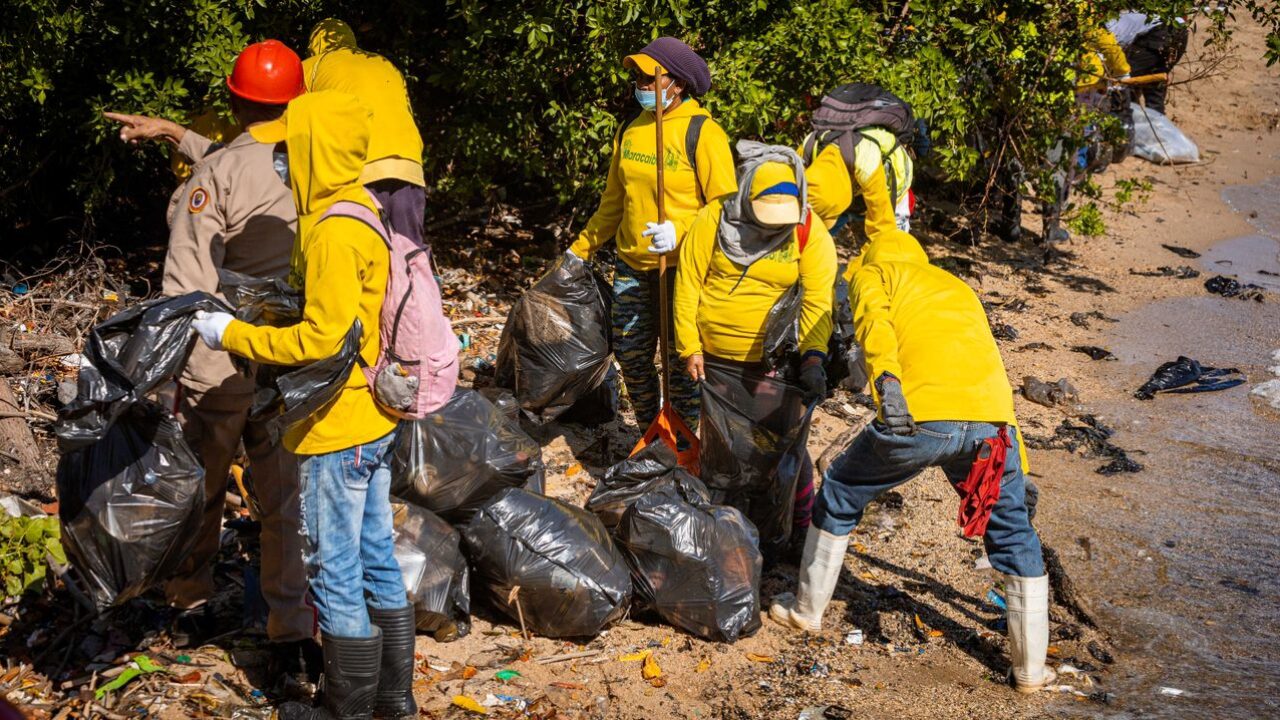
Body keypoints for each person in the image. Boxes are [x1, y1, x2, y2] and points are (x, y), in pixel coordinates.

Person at [189, 90, 413, 720]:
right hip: (373, 415)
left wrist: (229, 333)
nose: (282, 158)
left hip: (335, 425)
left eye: (291, 147)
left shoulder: (332, 233)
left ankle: (347, 709)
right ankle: (394, 701)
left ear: (318, 149)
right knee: (375, 556)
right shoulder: (367, 212)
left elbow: (321, 336)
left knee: (334, 566)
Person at [104, 40, 318, 685]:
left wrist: (161, 364)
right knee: (285, 502)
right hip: (294, 358)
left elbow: (185, 283)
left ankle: (191, 600)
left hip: (220, 360)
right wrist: (176, 133)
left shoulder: (216, 178)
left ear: (234, 98)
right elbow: (248, 169)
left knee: (202, 488)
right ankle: (291, 630)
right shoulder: (319, 160)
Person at [768, 230, 1053, 694]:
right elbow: (992, 367)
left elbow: (876, 324)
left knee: (840, 491)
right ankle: (1031, 673)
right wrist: (1019, 459)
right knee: (1014, 529)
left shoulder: (874, 272)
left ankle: (806, 611)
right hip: (992, 426)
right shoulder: (956, 287)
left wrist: (887, 380)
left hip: (919, 416)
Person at [568, 37, 737, 431]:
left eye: (648, 78)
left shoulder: (704, 133)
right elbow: (613, 201)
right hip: (632, 264)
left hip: (684, 270)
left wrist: (680, 232)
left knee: (682, 363)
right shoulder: (631, 129)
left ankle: (683, 440)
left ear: (675, 84)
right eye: (637, 78)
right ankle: (650, 432)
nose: (640, 85)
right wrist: (580, 250)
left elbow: (725, 212)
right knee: (631, 354)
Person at [674, 143, 837, 543]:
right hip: (715, 361)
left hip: (772, 364)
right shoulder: (714, 218)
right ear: (746, 196)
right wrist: (688, 345)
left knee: (778, 448)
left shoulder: (805, 229)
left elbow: (819, 300)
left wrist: (814, 357)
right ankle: (726, 529)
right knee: (724, 446)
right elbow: (688, 282)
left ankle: (789, 531)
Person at [303, 19, 427, 246]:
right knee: (411, 252)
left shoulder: (312, 66)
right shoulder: (384, 63)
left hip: (359, 169)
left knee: (362, 250)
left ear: (314, 45)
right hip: (409, 166)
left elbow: (297, 124)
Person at [1107, 11, 1188, 114]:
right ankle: (1155, 124)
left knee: (1122, 84)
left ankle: (1125, 124)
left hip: (1158, 33)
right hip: (1177, 30)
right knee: (1153, 84)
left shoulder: (1098, 26)